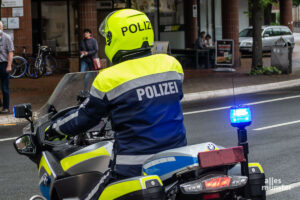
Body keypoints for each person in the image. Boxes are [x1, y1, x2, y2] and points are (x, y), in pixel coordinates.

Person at [46, 9, 187, 198]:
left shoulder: (109, 78)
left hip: (133, 168)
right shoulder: (172, 65)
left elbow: (84, 118)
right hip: (176, 162)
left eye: (108, 38)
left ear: (117, 38)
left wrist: (55, 129)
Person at [0, 21, 13, 114]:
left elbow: (10, 52)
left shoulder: (7, 38)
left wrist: (9, 65)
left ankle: (6, 107)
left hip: (4, 64)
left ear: (2, 28)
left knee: (4, 88)